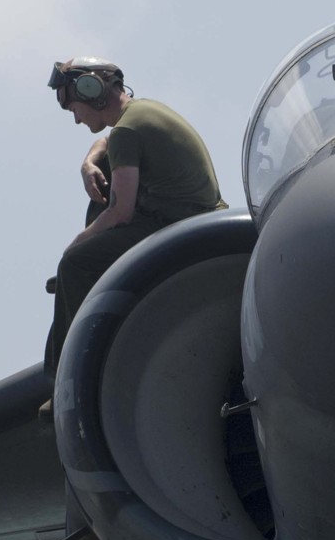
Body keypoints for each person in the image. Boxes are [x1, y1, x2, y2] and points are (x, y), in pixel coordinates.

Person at [42, 57, 228, 371]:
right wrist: (88, 165)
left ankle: (65, 372)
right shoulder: (140, 112)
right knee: (103, 167)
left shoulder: (128, 130)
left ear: (90, 91)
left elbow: (120, 212)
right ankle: (91, 274)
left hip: (176, 224)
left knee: (75, 263)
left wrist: (75, 245)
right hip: (193, 214)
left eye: (73, 109)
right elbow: (105, 142)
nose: (76, 120)